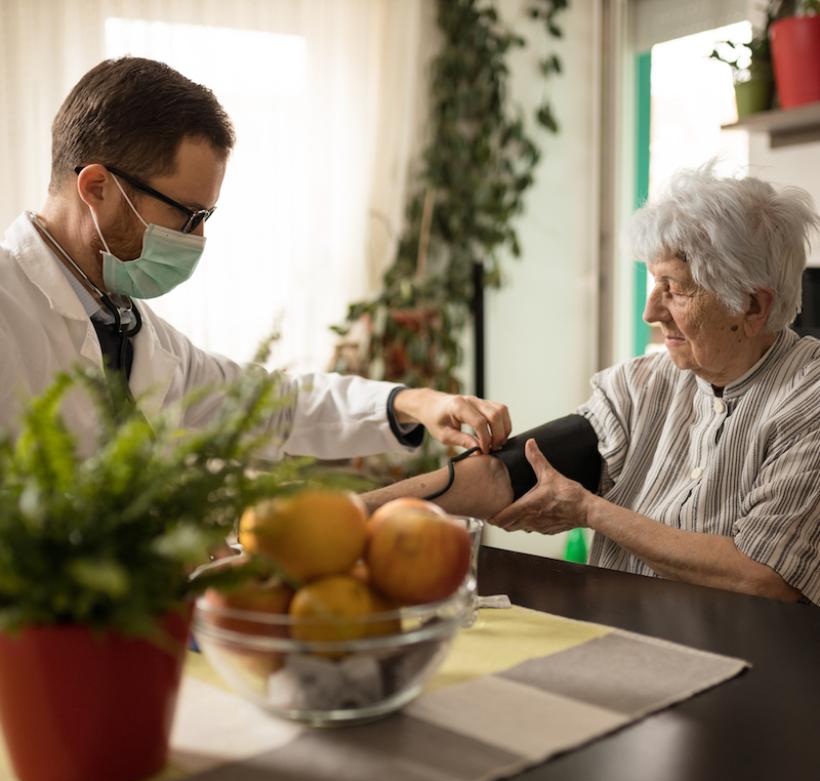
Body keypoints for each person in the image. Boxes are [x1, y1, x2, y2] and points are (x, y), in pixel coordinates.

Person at [0, 57, 511, 460]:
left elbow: (268, 407)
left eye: (207, 215)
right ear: (96, 187)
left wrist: (411, 403)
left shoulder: (125, 322)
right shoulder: (10, 307)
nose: (197, 236)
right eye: (188, 213)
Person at [363, 166, 820, 606]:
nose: (651, 312)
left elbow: (764, 575)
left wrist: (592, 512)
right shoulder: (642, 384)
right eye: (652, 283)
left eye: (675, 289)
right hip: (619, 641)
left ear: (752, 306)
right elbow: (504, 474)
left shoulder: (808, 398)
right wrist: (358, 512)